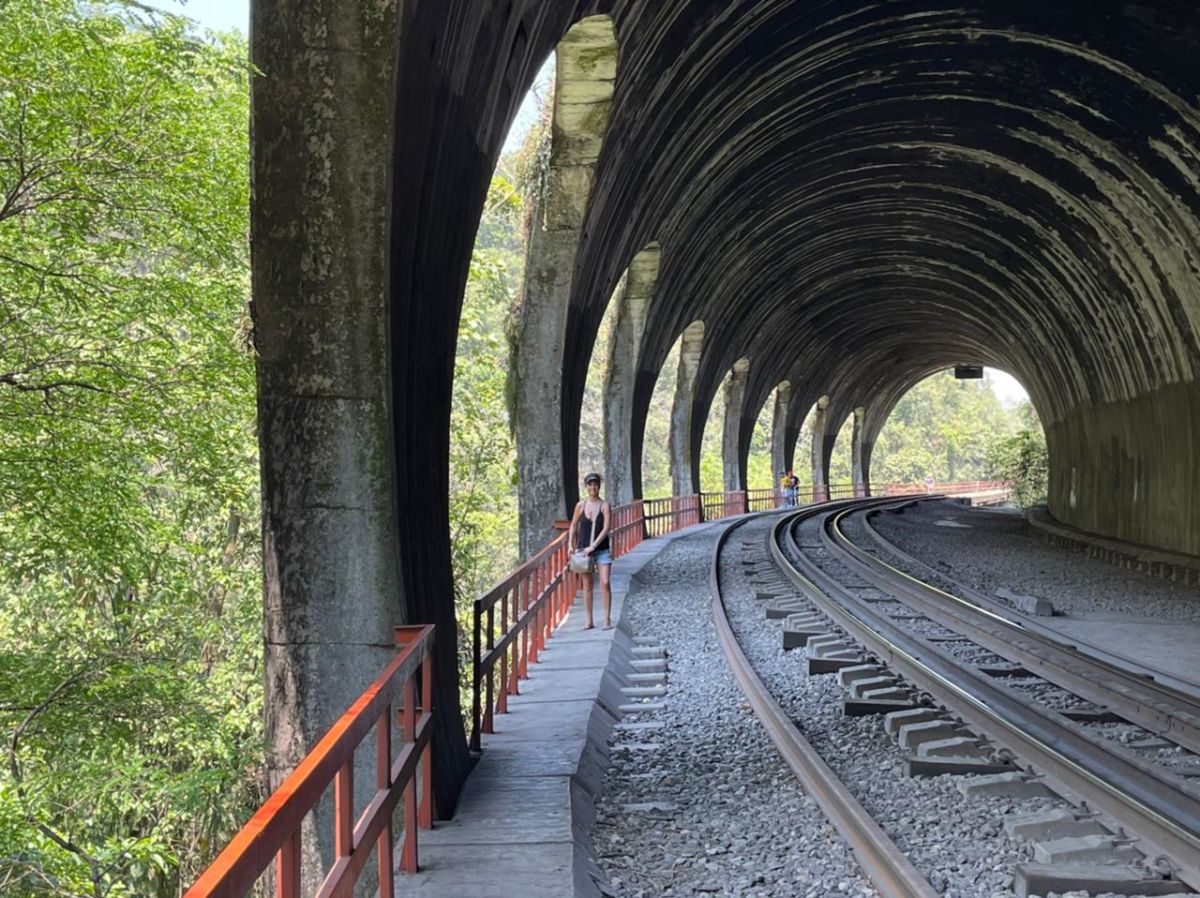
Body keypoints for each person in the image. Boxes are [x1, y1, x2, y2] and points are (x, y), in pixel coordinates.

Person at [568, 472, 613, 630]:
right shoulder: (580, 506)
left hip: (601, 550)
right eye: (590, 484)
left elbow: (607, 527)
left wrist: (593, 545)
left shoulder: (605, 506)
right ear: (586, 487)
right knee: (587, 586)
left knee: (605, 582)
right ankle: (589, 620)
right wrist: (570, 544)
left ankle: (607, 619)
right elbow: (573, 525)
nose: (593, 487)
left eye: (595, 484)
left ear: (599, 486)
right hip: (583, 551)